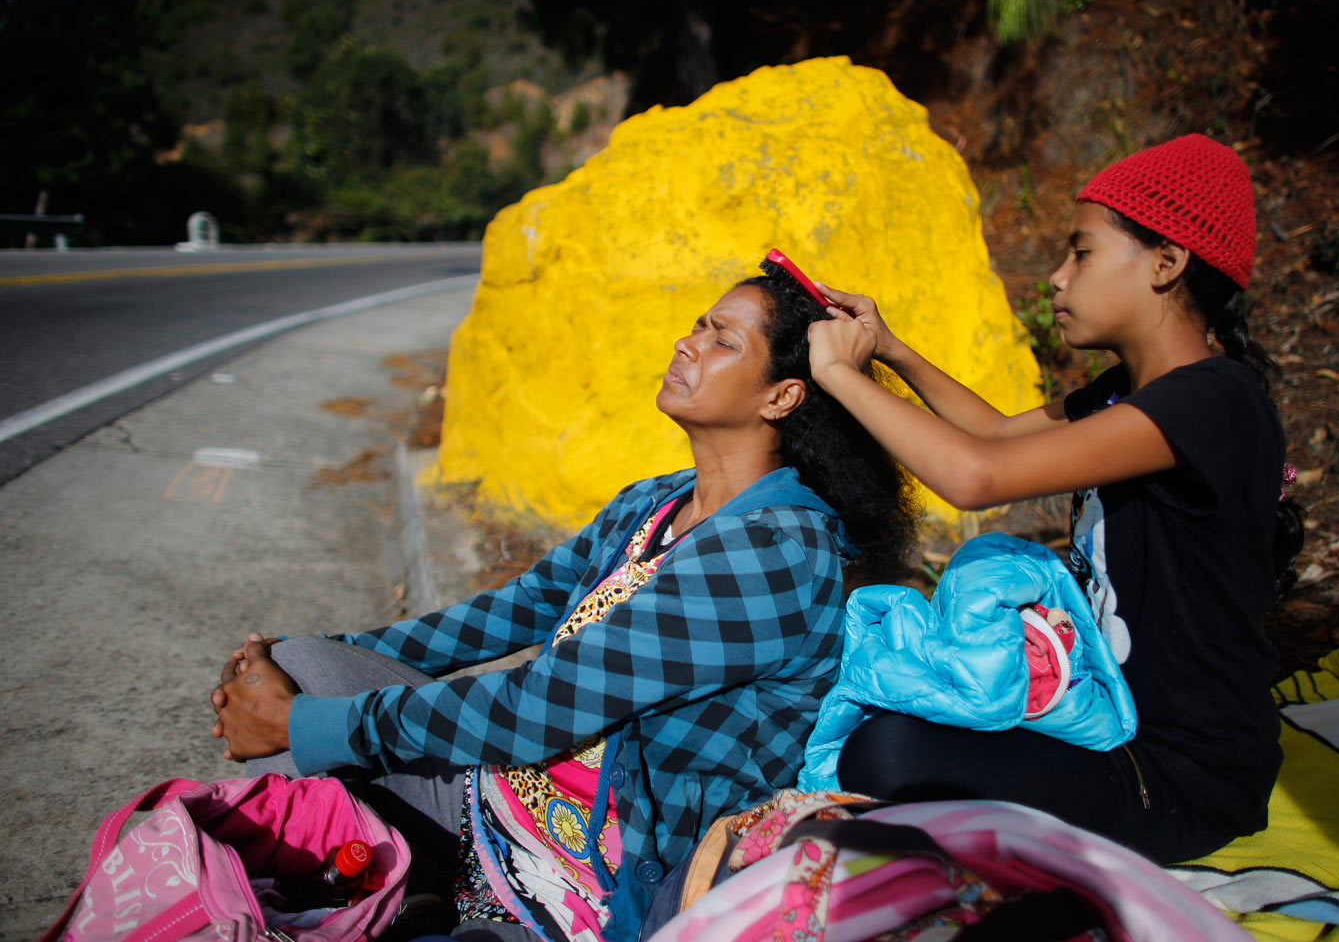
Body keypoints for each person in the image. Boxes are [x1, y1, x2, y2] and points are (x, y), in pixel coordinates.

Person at [210, 268, 916, 942]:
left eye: (723, 340)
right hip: (490, 805)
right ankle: (396, 886)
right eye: (698, 325)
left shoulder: (773, 553)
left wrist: (303, 723)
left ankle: (421, 902)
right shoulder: (659, 502)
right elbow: (513, 610)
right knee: (300, 670)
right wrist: (291, 666)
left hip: (583, 882)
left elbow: (541, 706)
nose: (687, 342)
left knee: (308, 726)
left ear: (782, 398)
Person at [804, 134, 1304, 864]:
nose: (1057, 278)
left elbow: (975, 478)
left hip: (1176, 774)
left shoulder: (1214, 402)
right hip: (1100, 717)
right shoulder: (1132, 396)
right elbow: (996, 434)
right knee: (878, 698)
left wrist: (839, 378)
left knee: (884, 752)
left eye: (1083, 253)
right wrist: (890, 349)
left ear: (1167, 263)